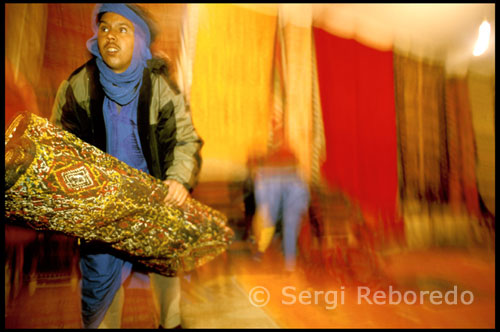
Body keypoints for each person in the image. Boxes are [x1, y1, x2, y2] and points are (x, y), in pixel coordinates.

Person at [50, 4, 203, 328]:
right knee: (100, 292)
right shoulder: (79, 85)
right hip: (100, 206)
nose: (110, 37)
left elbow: (186, 140)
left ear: (141, 40)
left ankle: (169, 322)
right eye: (105, 28)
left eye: (123, 29)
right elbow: (57, 149)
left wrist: (177, 179)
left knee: (166, 270)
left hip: (154, 200)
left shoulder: (160, 87)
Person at [251, 144, 310, 272]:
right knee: (288, 224)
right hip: (288, 182)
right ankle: (288, 262)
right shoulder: (272, 173)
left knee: (272, 222)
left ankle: (274, 255)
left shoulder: (265, 174)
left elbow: (264, 200)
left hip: (277, 181)